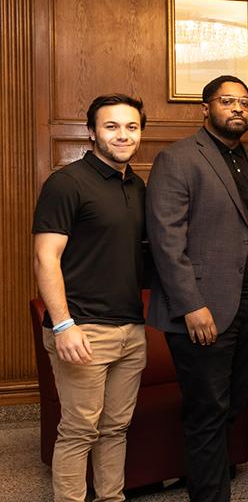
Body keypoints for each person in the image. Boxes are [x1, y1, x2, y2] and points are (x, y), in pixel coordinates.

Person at [146, 75, 248, 502]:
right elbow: (166, 239)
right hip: (202, 310)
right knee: (208, 411)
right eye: (227, 101)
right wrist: (191, 304)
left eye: (245, 102)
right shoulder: (179, 158)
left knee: (231, 407)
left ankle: (205, 480)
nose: (238, 108)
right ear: (206, 108)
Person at [33, 94, 148, 502]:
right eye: (111, 126)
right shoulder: (67, 183)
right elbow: (46, 257)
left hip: (131, 329)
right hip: (82, 330)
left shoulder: (136, 185)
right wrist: (63, 325)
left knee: (116, 428)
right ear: (91, 132)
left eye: (131, 127)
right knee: (80, 430)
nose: (122, 135)